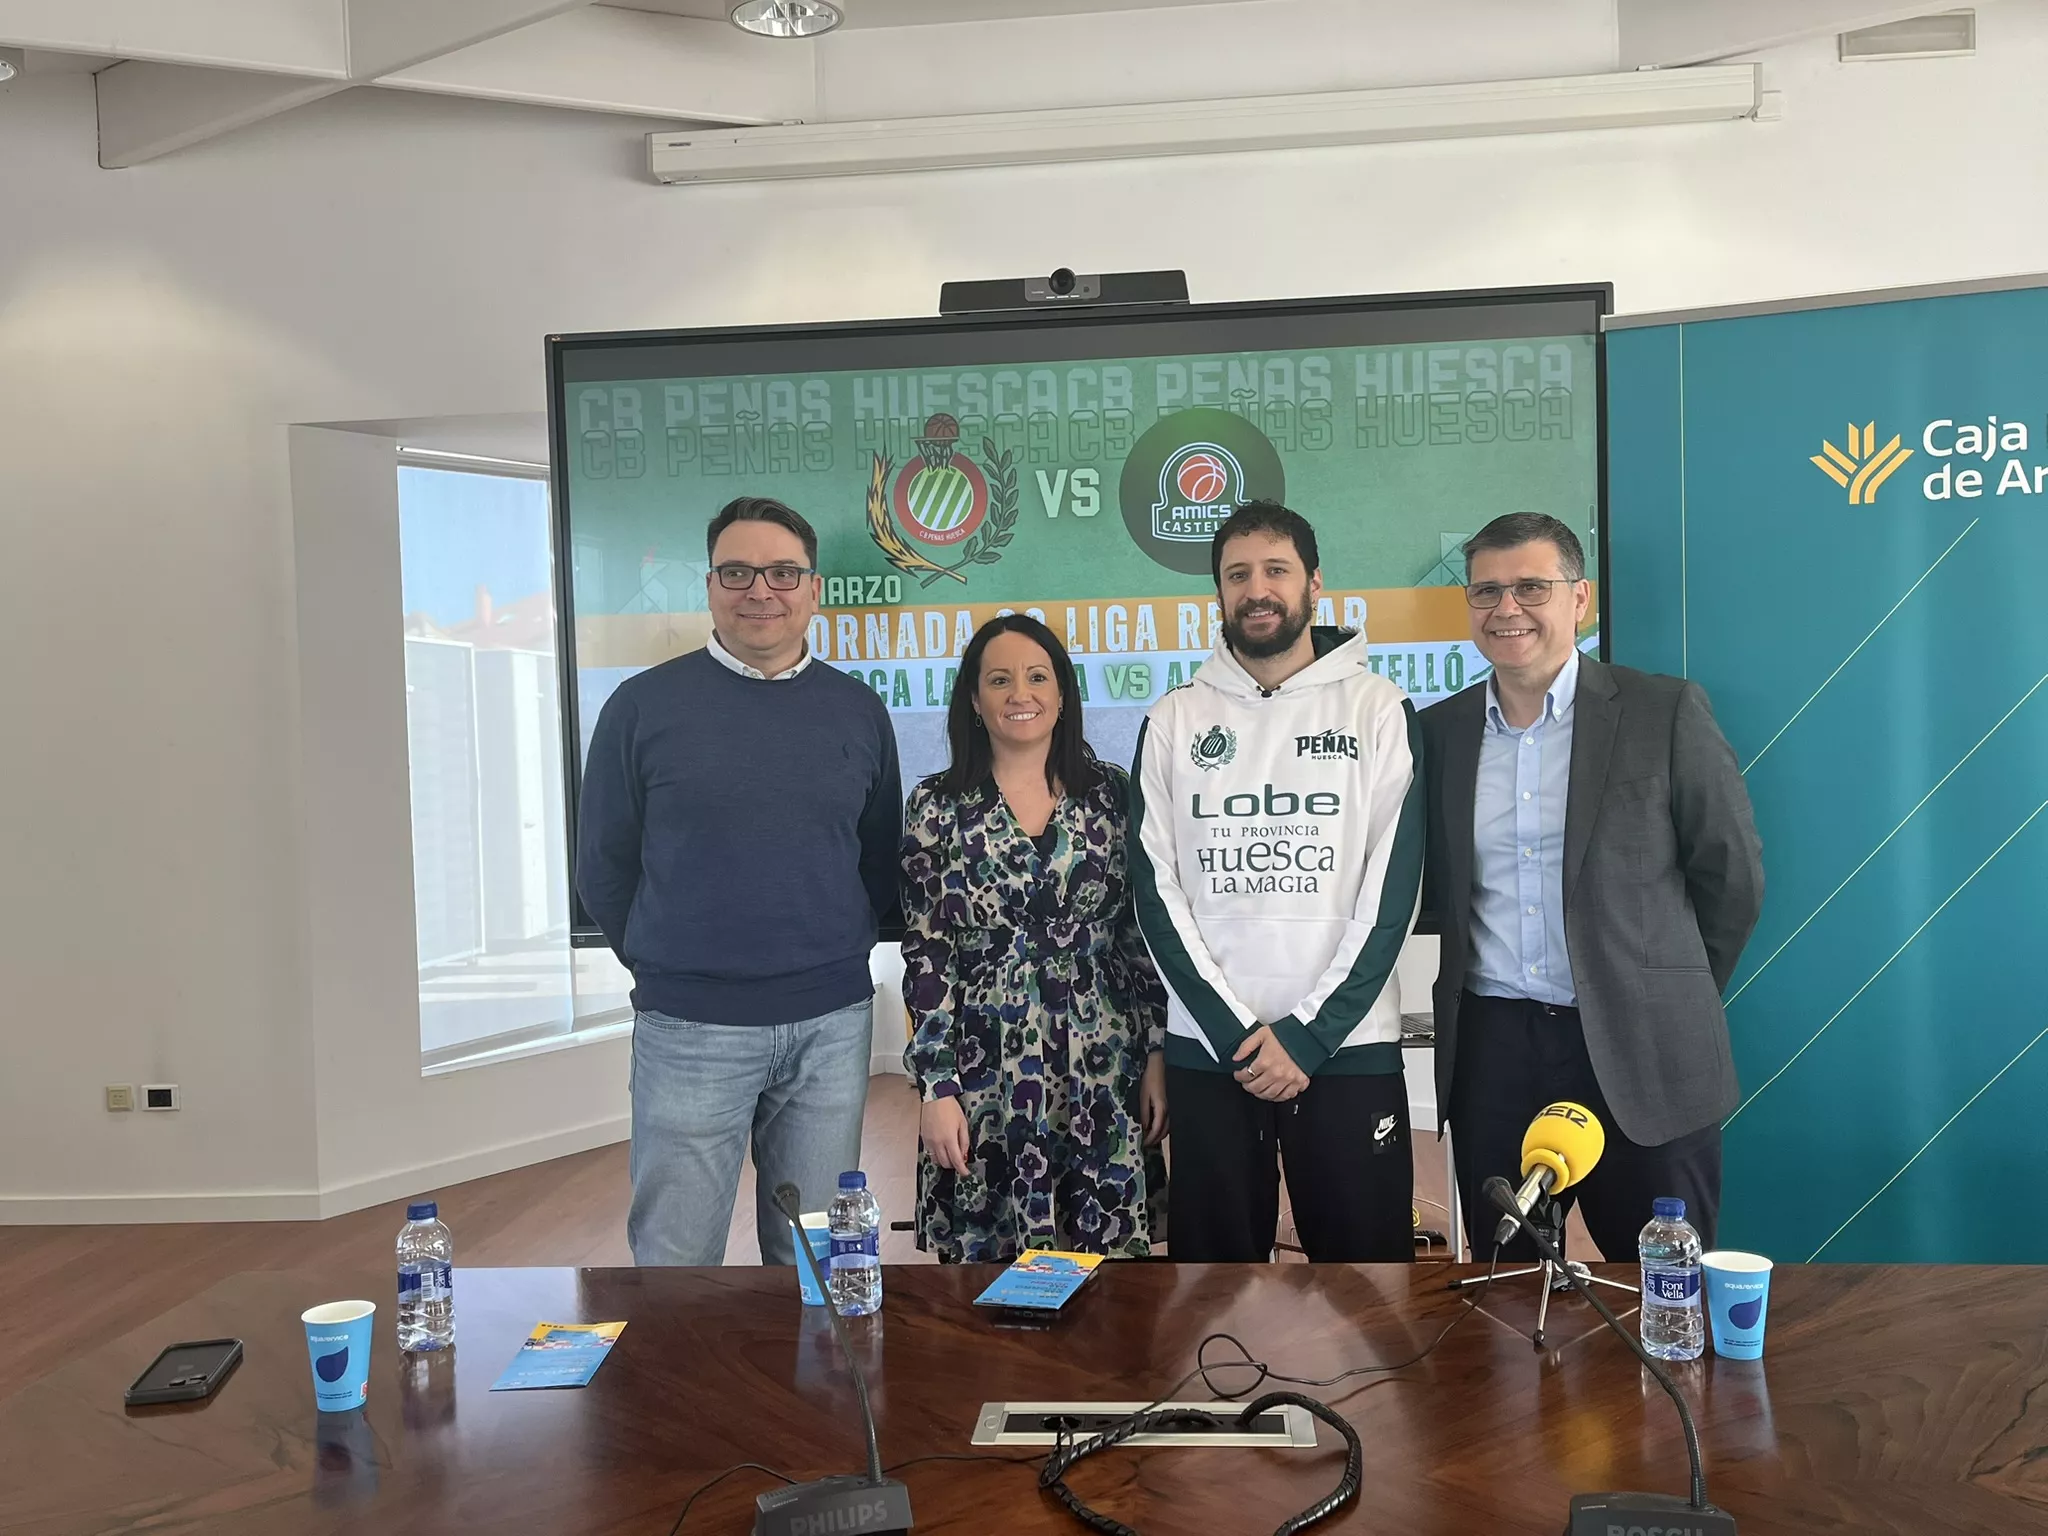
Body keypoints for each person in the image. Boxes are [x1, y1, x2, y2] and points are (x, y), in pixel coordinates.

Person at [1419, 512, 1763, 1259]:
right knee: (1507, 1298)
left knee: (1669, 1293)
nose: (1506, 609)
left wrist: (1667, 985)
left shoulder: (1662, 712)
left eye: (1530, 588)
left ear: (1581, 599)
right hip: (1495, 1050)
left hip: (1643, 1049)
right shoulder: (1438, 732)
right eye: (1486, 591)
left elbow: (1730, 875)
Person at [576, 496, 903, 1268]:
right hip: (690, 1031)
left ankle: (811, 1396)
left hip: (830, 1025)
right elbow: (604, 867)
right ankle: (676, 1397)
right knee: (675, 1259)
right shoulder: (640, 709)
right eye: (737, 571)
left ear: (815, 590)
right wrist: (675, 965)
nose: (761, 590)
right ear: (711, 585)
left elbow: (878, 856)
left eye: (784, 572)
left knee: (817, 1261)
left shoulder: (857, 711)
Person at [1131, 501, 1425, 1263]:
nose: (1256, 590)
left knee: (1371, 1289)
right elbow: (1154, 892)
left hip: (1347, 1048)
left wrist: (1310, 1034)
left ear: (1314, 584)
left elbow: (1392, 895)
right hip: (1211, 1053)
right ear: (1218, 597)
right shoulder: (1174, 719)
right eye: (1237, 576)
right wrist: (1236, 1036)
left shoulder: (1381, 709)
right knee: (1211, 1291)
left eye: (1275, 571)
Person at [901, 614, 1169, 1262]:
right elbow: (927, 954)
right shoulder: (936, 806)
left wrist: (1159, 1053)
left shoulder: (1111, 793)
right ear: (974, 698)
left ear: (1063, 692)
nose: (1020, 693)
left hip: (1106, 1061)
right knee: (987, 1284)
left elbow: (1140, 936)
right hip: (986, 1068)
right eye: (999, 679)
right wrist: (936, 1090)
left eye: (1036, 676)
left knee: (1111, 1283)